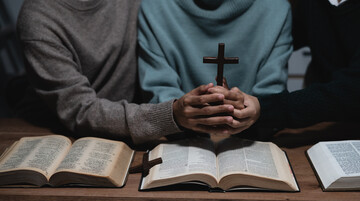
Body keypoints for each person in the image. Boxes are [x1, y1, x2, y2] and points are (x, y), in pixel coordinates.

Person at [13, 0, 239, 145]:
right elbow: (80, 111)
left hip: (136, 121)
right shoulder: (38, 18)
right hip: (65, 133)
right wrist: (170, 115)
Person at [212, 0, 360, 132]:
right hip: (319, 125)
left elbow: (353, 89)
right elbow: (275, 42)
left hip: (345, 120)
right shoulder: (312, 4)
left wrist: (265, 108)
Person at [138, 0, 293, 105]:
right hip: (178, 139)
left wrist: (251, 109)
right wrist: (180, 112)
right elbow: (158, 94)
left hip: (254, 138)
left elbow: (272, 97)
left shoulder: (276, 8)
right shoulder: (155, 7)